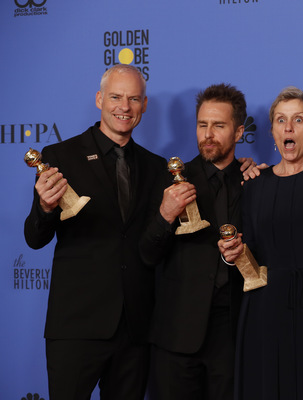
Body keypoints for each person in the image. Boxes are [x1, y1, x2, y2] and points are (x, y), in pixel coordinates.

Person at [24, 64, 165, 399]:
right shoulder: (60, 157)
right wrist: (45, 207)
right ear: (100, 99)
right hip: (77, 326)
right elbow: (35, 238)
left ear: (144, 105)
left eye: (134, 99)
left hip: (134, 329)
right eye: (116, 97)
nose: (124, 107)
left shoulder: (157, 167)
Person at [218, 86, 303, 400]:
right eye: (281, 120)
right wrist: (232, 254)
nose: (289, 128)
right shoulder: (254, 185)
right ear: (272, 131)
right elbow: (249, 253)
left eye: (299, 119)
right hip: (264, 311)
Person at [139, 83, 255, 399]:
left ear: (239, 132)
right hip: (176, 335)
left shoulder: (255, 181)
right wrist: (164, 216)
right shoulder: (169, 180)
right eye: (202, 125)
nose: (208, 134)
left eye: (219, 125)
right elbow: (146, 254)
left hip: (233, 336)